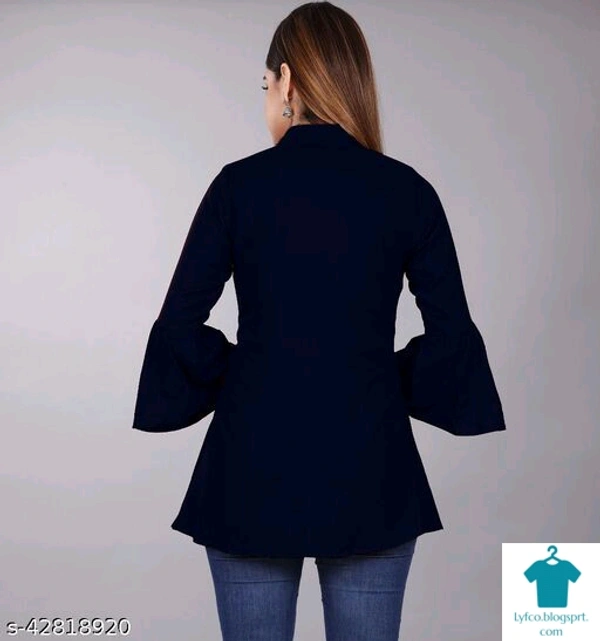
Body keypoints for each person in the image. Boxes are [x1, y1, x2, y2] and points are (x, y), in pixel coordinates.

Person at [131, 2, 506, 639]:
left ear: (287, 81)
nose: (266, 99)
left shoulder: (237, 188)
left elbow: (178, 329)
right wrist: (374, 378)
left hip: (250, 469)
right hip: (372, 471)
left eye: (265, 85)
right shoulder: (407, 192)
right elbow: (452, 338)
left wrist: (251, 373)